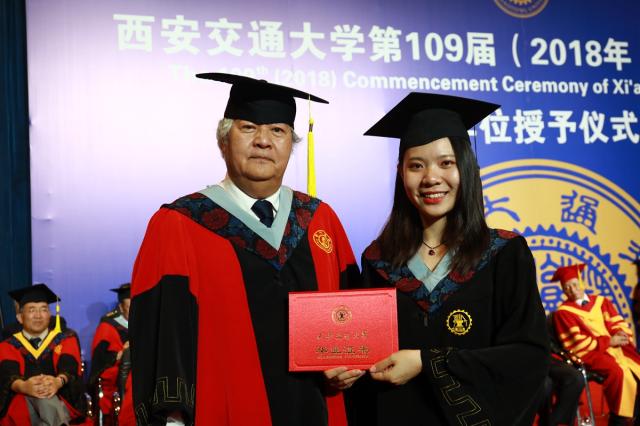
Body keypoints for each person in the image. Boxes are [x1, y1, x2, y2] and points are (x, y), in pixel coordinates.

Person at [129, 73, 360, 425]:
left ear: (291, 144)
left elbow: (355, 317)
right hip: (224, 413)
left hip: (316, 410)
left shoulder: (319, 220)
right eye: (248, 128)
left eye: (278, 131)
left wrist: (351, 365)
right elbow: (160, 339)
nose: (263, 141)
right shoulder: (180, 224)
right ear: (224, 141)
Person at [345, 92, 550, 425]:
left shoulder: (504, 254)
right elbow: (364, 360)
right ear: (400, 173)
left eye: (446, 163)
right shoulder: (379, 261)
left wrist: (427, 362)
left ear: (466, 169)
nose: (430, 178)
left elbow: (529, 357)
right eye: (416, 165)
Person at [553, 263, 640, 425]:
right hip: (592, 353)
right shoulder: (563, 313)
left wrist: (620, 333)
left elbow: (616, 322)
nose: (572, 290)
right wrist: (608, 341)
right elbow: (577, 343)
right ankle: (619, 418)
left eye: (574, 284)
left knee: (637, 367)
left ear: (582, 282)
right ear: (563, 290)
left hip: (616, 348)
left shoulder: (602, 302)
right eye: (567, 287)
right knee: (618, 372)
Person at [0, 283, 88, 425]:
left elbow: (69, 367)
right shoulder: (9, 345)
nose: (38, 315)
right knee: (40, 399)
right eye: (32, 310)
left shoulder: (65, 339)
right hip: (22, 400)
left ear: (49, 315)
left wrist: (57, 382)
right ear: (20, 317)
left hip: (60, 397)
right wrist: (24, 387)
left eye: (44, 309)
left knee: (46, 399)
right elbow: (8, 374)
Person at [89, 283, 134, 425]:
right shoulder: (108, 326)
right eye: (130, 307)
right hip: (118, 376)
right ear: (121, 307)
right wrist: (121, 353)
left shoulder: (149, 323)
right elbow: (100, 360)